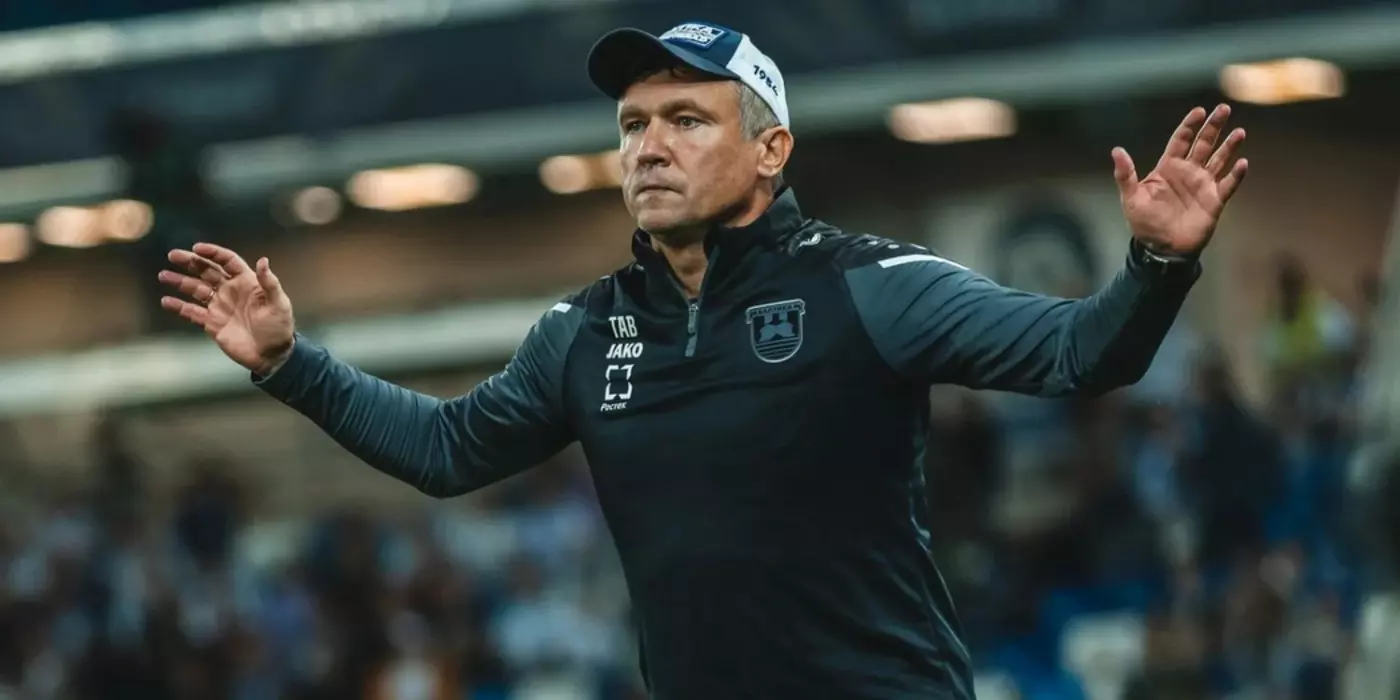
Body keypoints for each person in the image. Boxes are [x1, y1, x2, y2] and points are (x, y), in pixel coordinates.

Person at [156, 20, 1248, 700]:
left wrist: (1155, 262)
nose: (648, 147)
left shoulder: (869, 284)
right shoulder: (584, 331)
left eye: (686, 119)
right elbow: (447, 451)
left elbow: (1077, 353)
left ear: (770, 149)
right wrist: (290, 364)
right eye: (633, 125)